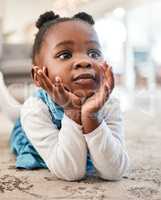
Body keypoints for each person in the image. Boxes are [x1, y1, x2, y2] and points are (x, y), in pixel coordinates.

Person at [10, 11, 129, 181]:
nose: (85, 61)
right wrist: (72, 111)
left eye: (93, 53)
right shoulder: (35, 109)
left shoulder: (109, 105)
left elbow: (115, 171)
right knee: (20, 116)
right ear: (38, 76)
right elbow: (71, 172)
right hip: (37, 125)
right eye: (65, 54)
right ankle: (13, 110)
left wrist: (91, 115)